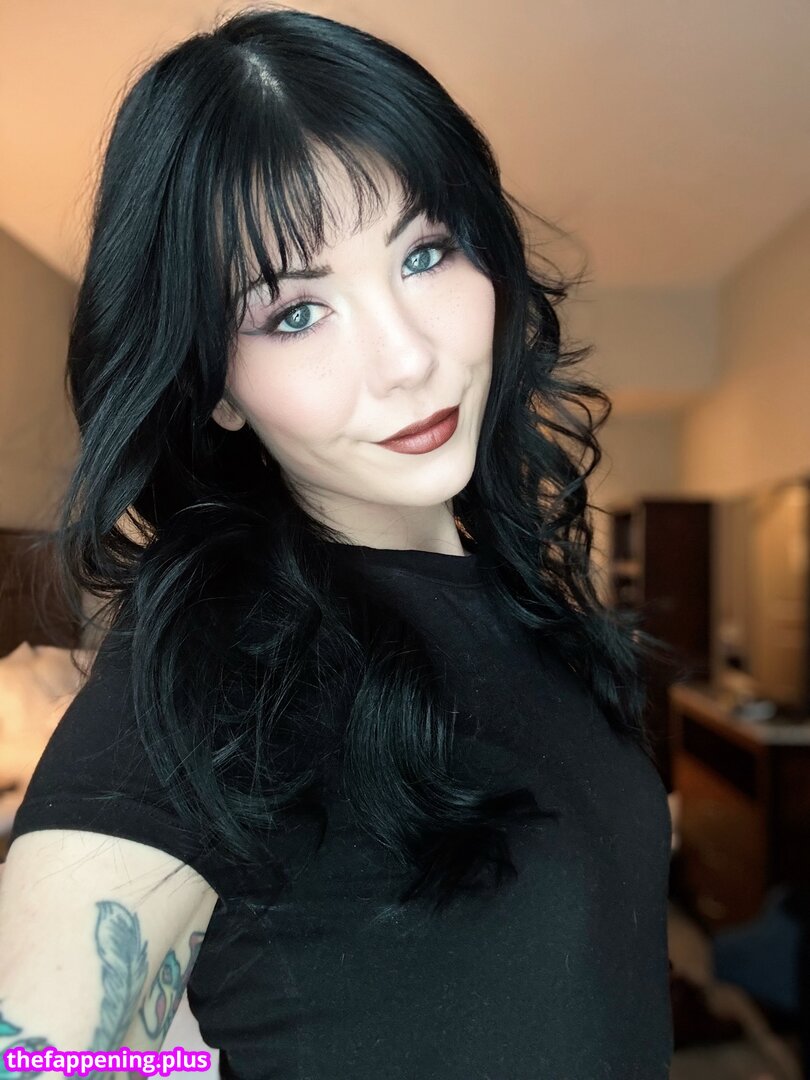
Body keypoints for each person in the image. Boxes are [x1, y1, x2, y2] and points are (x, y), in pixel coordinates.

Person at [0, 6, 678, 1078]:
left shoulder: (519, 596)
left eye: (426, 253)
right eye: (294, 314)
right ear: (217, 387)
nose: (408, 359)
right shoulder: (212, 683)